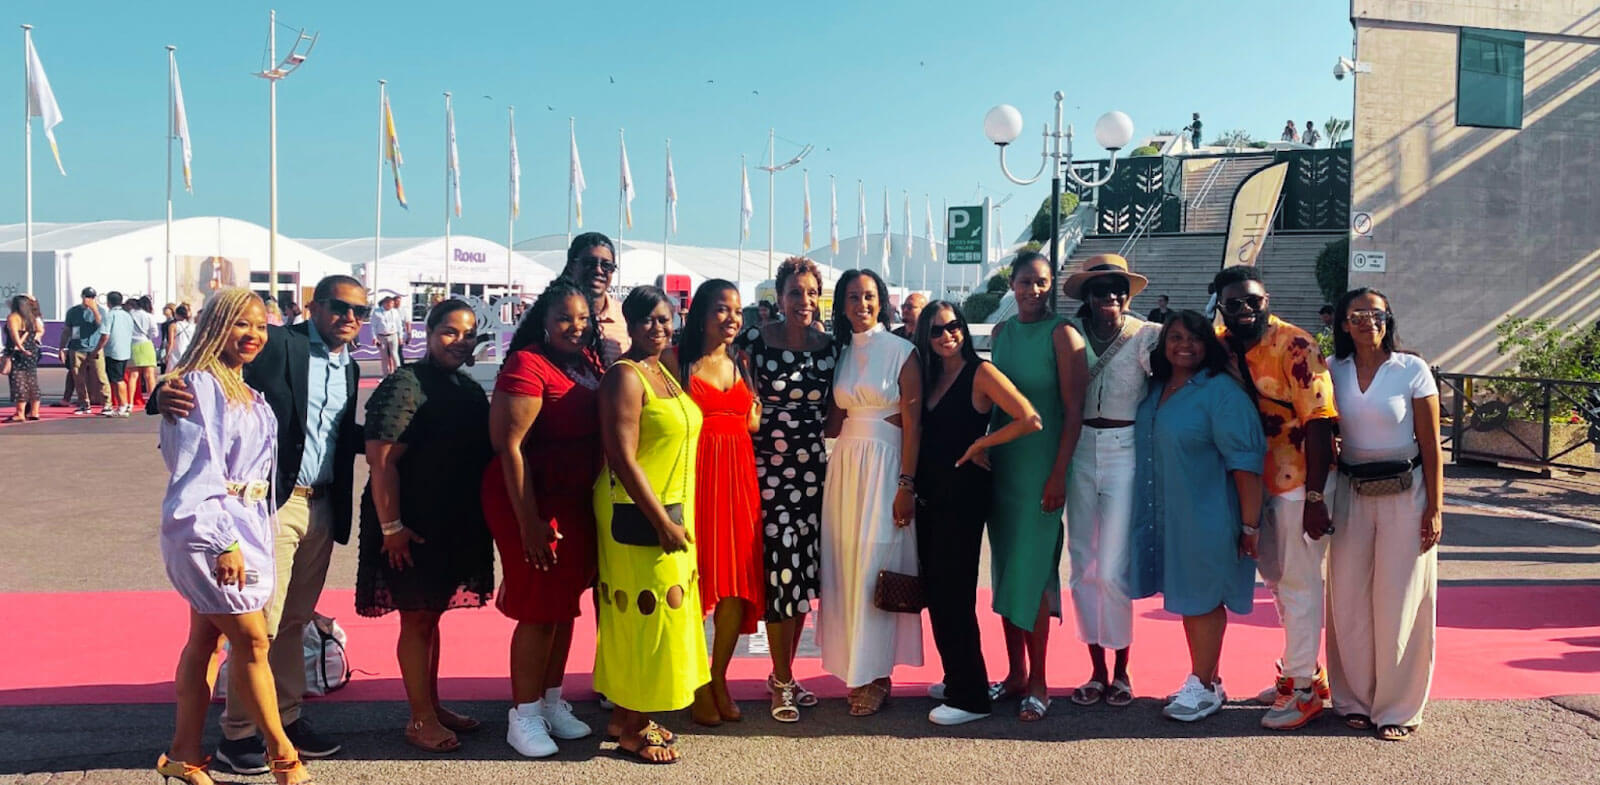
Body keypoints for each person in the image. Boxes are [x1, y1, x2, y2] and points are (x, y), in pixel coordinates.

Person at [155, 274, 366, 775]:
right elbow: (192, 404)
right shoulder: (278, 345)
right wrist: (162, 394)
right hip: (262, 510)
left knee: (285, 620)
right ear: (314, 307)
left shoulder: (350, 367)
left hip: (314, 502)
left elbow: (336, 433)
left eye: (361, 310)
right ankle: (252, 738)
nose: (350, 318)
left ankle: (259, 726)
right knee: (255, 633)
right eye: (339, 306)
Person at [356, 299, 495, 753]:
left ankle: (431, 704)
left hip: (451, 520)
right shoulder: (405, 384)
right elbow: (382, 462)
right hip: (408, 524)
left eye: (469, 333)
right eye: (450, 332)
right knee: (416, 620)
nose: (460, 341)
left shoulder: (468, 388)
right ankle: (419, 718)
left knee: (431, 617)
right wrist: (392, 527)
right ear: (428, 332)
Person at [1212, 264, 1338, 731]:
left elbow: (1320, 419)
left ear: (1267, 299)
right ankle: (1301, 669)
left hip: (1298, 481)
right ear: (1222, 305)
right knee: (1279, 583)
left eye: (1254, 301)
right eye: (1235, 303)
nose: (1246, 310)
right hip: (1251, 481)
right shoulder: (1222, 342)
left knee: (1301, 584)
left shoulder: (1296, 345)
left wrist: (1317, 496)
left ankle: (1302, 690)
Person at [484, 280, 605, 758]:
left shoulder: (586, 363)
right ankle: (525, 713)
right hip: (529, 498)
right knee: (537, 608)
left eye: (582, 319)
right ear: (544, 321)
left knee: (564, 604)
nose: (575, 327)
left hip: (573, 501)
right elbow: (508, 446)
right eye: (564, 319)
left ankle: (552, 701)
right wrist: (529, 521)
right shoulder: (528, 363)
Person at [1127, 311, 1266, 723]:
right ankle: (1209, 678)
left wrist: (1249, 525)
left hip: (1208, 513)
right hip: (1172, 512)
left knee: (1203, 598)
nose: (1184, 345)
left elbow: (1246, 464)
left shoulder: (1220, 392)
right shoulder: (1157, 389)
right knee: (1191, 597)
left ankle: (1203, 685)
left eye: (1194, 338)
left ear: (1208, 345)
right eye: (1175, 337)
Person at [593, 286, 710, 763]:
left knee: (660, 611)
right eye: (647, 321)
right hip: (639, 512)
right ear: (630, 323)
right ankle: (633, 726)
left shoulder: (661, 371)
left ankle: (627, 712)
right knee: (645, 614)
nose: (658, 328)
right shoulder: (625, 376)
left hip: (673, 509)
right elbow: (621, 455)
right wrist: (659, 520)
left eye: (665, 319)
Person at [914, 301, 1041, 726]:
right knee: (938, 593)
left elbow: (1029, 418)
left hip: (964, 494)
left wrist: (982, 444)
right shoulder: (932, 374)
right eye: (936, 330)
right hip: (931, 493)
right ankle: (957, 678)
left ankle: (971, 697)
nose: (947, 335)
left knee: (954, 593)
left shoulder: (980, 373)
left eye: (953, 326)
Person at [1325, 288, 1444, 741]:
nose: (1366, 321)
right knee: (1349, 597)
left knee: (1401, 598)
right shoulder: (1332, 369)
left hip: (1406, 491)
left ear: (1387, 319)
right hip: (1351, 490)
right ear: (1342, 323)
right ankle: (1354, 699)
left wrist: (1435, 507)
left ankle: (1396, 707)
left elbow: (1431, 445)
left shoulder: (1411, 369)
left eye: (1375, 314)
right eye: (1356, 314)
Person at [985, 252, 1088, 722]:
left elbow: (1073, 413)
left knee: (1035, 573)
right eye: (1025, 282)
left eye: (1042, 282)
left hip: (1042, 471)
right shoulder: (1003, 334)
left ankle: (1041, 681)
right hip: (1003, 471)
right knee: (1006, 571)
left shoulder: (1064, 336)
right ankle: (1014, 674)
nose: (1033, 290)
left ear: (1052, 284)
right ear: (1012, 283)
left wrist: (1057, 474)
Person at [734, 256, 836, 722]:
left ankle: (785, 674)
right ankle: (780, 679)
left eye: (811, 292)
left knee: (801, 576)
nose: (805, 301)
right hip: (767, 472)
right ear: (779, 297)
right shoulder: (754, 340)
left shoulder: (828, 347)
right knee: (781, 573)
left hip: (812, 472)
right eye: (795, 292)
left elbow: (837, 411)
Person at [820, 268, 923, 717]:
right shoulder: (841, 354)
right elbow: (833, 419)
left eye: (868, 296)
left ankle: (879, 675)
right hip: (846, 466)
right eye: (851, 297)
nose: (860, 304)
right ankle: (856, 668)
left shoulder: (903, 351)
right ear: (841, 306)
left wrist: (906, 484)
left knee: (877, 564)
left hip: (886, 465)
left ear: (881, 300)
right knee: (846, 564)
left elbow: (915, 424)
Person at [1060, 255, 1161, 708]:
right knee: (1083, 563)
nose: (1112, 297)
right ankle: (1095, 669)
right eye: (1101, 290)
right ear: (1087, 295)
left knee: (1115, 565)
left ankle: (1123, 669)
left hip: (1125, 449)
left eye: (1119, 289)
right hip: (1078, 448)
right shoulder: (1066, 336)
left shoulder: (1146, 336)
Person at [665, 280, 763, 727]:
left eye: (737, 311)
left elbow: (749, 420)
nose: (732, 318)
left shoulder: (741, 361)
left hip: (739, 479)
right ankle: (697, 683)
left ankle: (717, 677)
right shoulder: (676, 362)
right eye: (722, 309)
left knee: (737, 587)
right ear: (701, 314)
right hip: (696, 481)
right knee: (694, 583)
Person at [559, 232, 628, 366]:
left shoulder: (626, 316)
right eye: (589, 263)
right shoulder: (548, 315)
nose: (598, 270)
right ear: (571, 266)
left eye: (606, 265)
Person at [65, 287, 111, 415]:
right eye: (86, 296)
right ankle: (84, 404)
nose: (87, 299)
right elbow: (67, 330)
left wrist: (94, 309)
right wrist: (62, 347)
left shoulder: (101, 311)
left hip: (94, 348)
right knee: (78, 377)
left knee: (101, 376)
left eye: (90, 297)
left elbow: (101, 326)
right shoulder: (73, 311)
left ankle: (107, 404)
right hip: (77, 348)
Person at [5, 295, 44, 422]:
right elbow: (40, 330)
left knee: (18, 380)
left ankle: (20, 413)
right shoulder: (31, 317)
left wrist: (20, 348)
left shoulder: (13, 317)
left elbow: (14, 335)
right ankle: (35, 411)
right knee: (32, 380)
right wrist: (33, 341)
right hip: (32, 350)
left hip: (19, 352)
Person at [102, 291, 136, 417]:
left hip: (113, 350)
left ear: (108, 302)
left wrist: (98, 348)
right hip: (125, 350)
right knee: (117, 378)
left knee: (117, 379)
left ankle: (123, 405)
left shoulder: (110, 315)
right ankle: (121, 405)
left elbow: (105, 335)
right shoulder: (127, 315)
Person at [130, 297, 161, 409]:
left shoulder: (130, 315)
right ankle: (152, 401)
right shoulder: (149, 316)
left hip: (132, 345)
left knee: (133, 375)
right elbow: (155, 333)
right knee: (149, 376)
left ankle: (129, 402)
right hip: (146, 344)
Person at [373, 296, 405, 376]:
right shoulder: (377, 312)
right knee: (384, 357)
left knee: (394, 354)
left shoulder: (394, 311)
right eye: (391, 304)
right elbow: (373, 326)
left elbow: (399, 325)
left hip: (393, 335)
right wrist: (374, 337)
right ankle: (386, 375)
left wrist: (400, 336)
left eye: (393, 304)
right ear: (385, 303)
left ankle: (398, 372)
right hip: (381, 336)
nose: (392, 305)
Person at [167, 305, 197, 369]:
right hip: (188, 352)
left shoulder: (173, 326)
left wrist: (167, 355)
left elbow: (170, 342)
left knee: (171, 375)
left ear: (176, 314)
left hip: (176, 353)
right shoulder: (193, 326)